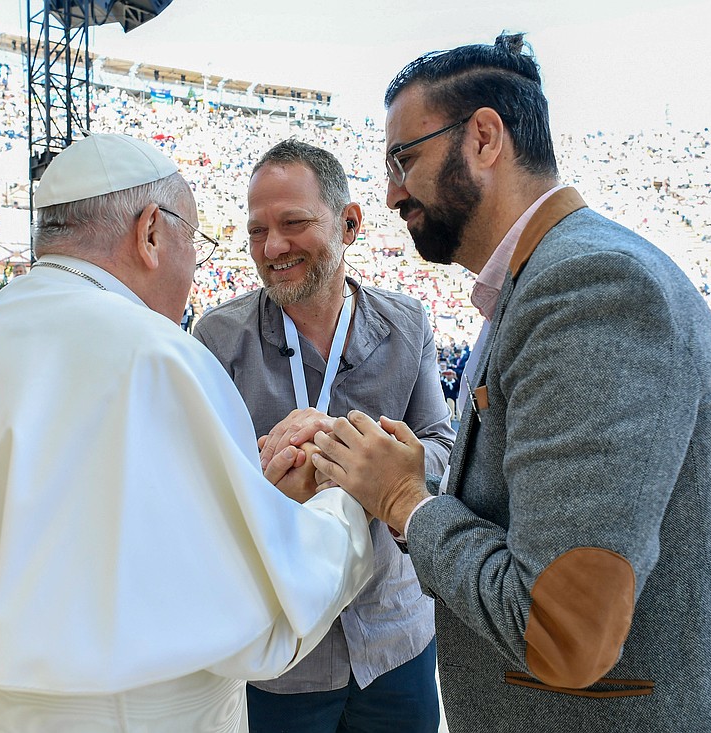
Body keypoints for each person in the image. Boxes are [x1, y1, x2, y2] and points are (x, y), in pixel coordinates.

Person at [310, 35, 711, 732]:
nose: (390, 193)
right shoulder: (540, 281)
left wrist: (404, 499)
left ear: (484, 137)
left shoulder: (588, 286)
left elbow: (563, 630)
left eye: (403, 159)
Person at [0, 134, 374, 732]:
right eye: (194, 244)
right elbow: (255, 607)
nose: (194, 270)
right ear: (151, 232)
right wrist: (347, 499)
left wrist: (248, 490)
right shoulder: (152, 353)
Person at [193, 140, 453, 733]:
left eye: (294, 223)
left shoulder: (407, 323)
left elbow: (442, 447)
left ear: (351, 223)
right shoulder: (217, 338)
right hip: (283, 652)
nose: (272, 247)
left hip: (394, 639)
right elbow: (199, 488)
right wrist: (264, 481)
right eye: (257, 231)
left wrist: (358, 455)